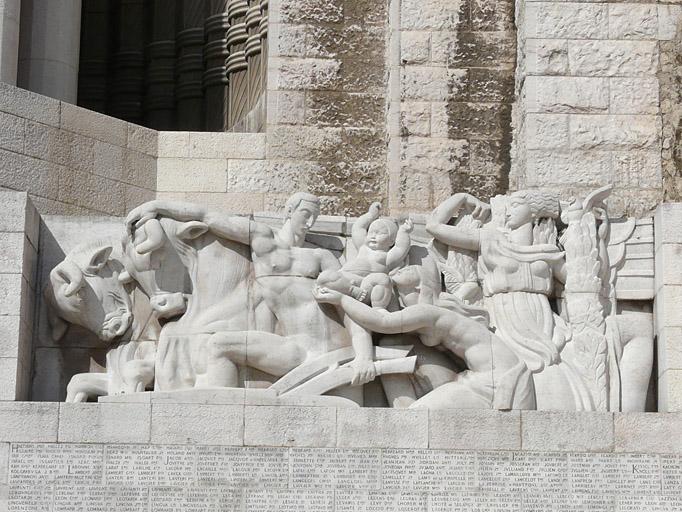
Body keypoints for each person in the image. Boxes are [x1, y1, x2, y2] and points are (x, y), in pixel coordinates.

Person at [125, 192, 375, 391]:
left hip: (321, 350)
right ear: (289, 211)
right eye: (305, 214)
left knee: (219, 344)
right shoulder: (264, 241)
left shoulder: (321, 257)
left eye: (314, 217)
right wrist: (158, 206)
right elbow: (208, 216)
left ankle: (214, 408)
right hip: (291, 346)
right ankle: (210, 405)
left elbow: (351, 307)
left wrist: (364, 356)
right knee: (218, 343)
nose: (309, 222)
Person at [426, 191, 592, 410]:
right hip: (502, 318)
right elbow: (434, 226)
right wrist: (462, 198)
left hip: (541, 320)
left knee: (550, 369)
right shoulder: (490, 239)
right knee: (507, 368)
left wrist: (581, 229)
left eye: (515, 205)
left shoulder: (548, 251)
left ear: (533, 210)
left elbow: (580, 283)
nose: (508, 211)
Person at [313, 264, 535, 410]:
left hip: (496, 381)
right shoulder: (429, 314)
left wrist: (340, 300)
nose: (399, 269)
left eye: (408, 267)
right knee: (394, 349)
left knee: (420, 414)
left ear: (420, 283)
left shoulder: (429, 312)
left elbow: (382, 323)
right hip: (484, 375)